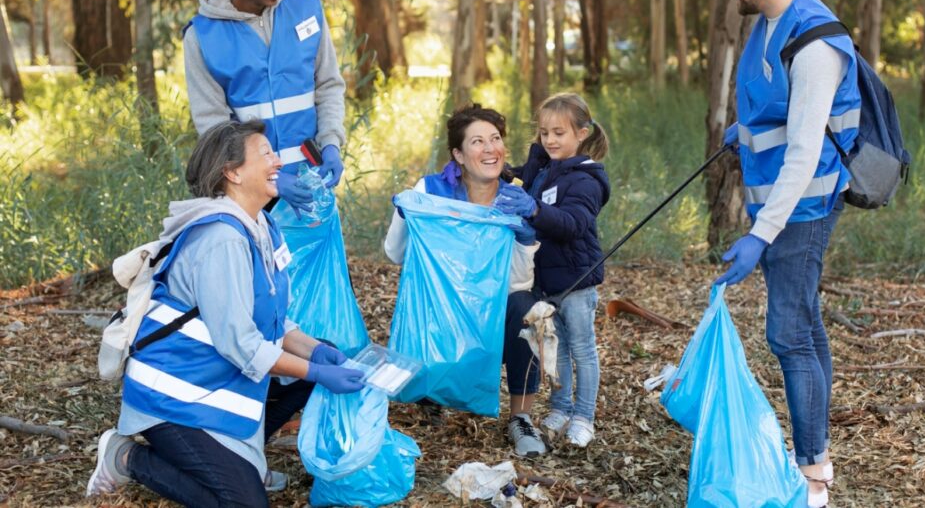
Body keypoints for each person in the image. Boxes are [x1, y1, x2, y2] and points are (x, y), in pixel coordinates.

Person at [86, 120, 365, 507]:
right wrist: (317, 371)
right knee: (246, 504)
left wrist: (316, 352)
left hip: (217, 381)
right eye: (265, 154)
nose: (277, 162)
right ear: (232, 173)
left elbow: (270, 321)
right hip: (172, 395)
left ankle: (243, 458)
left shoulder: (261, 224)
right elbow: (245, 347)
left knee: (315, 356)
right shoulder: (221, 240)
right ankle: (126, 458)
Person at [712, 0, 861, 508]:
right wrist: (741, 130)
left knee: (788, 336)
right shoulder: (768, 20)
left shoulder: (815, 43)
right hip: (780, 202)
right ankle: (817, 454)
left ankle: (812, 476)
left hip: (801, 207)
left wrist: (761, 236)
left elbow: (802, 156)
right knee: (803, 326)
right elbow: (775, 110)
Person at [383, 104, 546, 457]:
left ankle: (521, 419)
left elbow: (517, 282)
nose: (491, 149)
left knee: (526, 308)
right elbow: (396, 254)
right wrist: (404, 214)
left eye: (496, 139)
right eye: (477, 142)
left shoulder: (514, 197)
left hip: (486, 319)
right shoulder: (431, 189)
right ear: (458, 154)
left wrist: (524, 239)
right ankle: (430, 391)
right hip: (439, 318)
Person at [183, 0, 346, 213]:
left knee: (316, 258)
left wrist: (332, 143)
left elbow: (328, 84)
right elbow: (213, 126)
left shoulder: (306, 7)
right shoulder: (201, 36)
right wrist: (267, 176)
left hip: (313, 181)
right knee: (261, 259)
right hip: (249, 194)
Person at [501, 93, 611, 449]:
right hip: (547, 279)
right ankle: (561, 408)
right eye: (544, 132)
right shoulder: (546, 166)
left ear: (582, 133)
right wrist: (509, 172)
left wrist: (534, 210)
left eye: (559, 133)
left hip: (576, 281)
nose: (549, 140)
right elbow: (526, 179)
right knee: (557, 347)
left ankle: (584, 416)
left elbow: (573, 223)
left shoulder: (586, 179)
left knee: (582, 349)